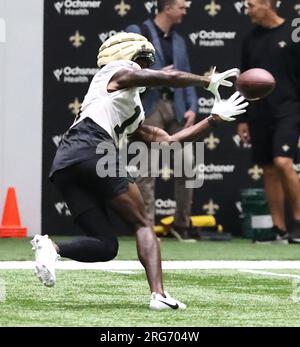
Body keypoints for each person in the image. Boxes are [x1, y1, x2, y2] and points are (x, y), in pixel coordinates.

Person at [31, 32, 247, 310]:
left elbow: (166, 141)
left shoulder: (129, 106)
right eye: (142, 60)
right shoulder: (116, 72)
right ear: (127, 57)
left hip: (65, 163)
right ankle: (159, 295)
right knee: (143, 223)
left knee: (106, 246)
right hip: (94, 148)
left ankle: (52, 249)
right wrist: (207, 81)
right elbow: (167, 79)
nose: (145, 66)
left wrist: (213, 119)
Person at [126, 0, 198, 241]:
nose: (186, 11)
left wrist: (193, 107)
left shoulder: (178, 41)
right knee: (147, 168)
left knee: (186, 165)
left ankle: (181, 224)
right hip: (149, 105)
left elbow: (186, 73)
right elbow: (127, 70)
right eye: (182, 6)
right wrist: (158, 76)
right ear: (167, 8)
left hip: (177, 107)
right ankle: (146, 225)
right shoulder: (138, 32)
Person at [237, 0, 300, 243]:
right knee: (269, 169)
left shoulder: (293, 34)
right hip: (258, 113)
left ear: (267, 4)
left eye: (252, 4)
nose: (248, 9)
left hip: (289, 109)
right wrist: (242, 118)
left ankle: (298, 222)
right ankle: (279, 228)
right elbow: (243, 80)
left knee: (283, 162)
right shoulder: (249, 39)